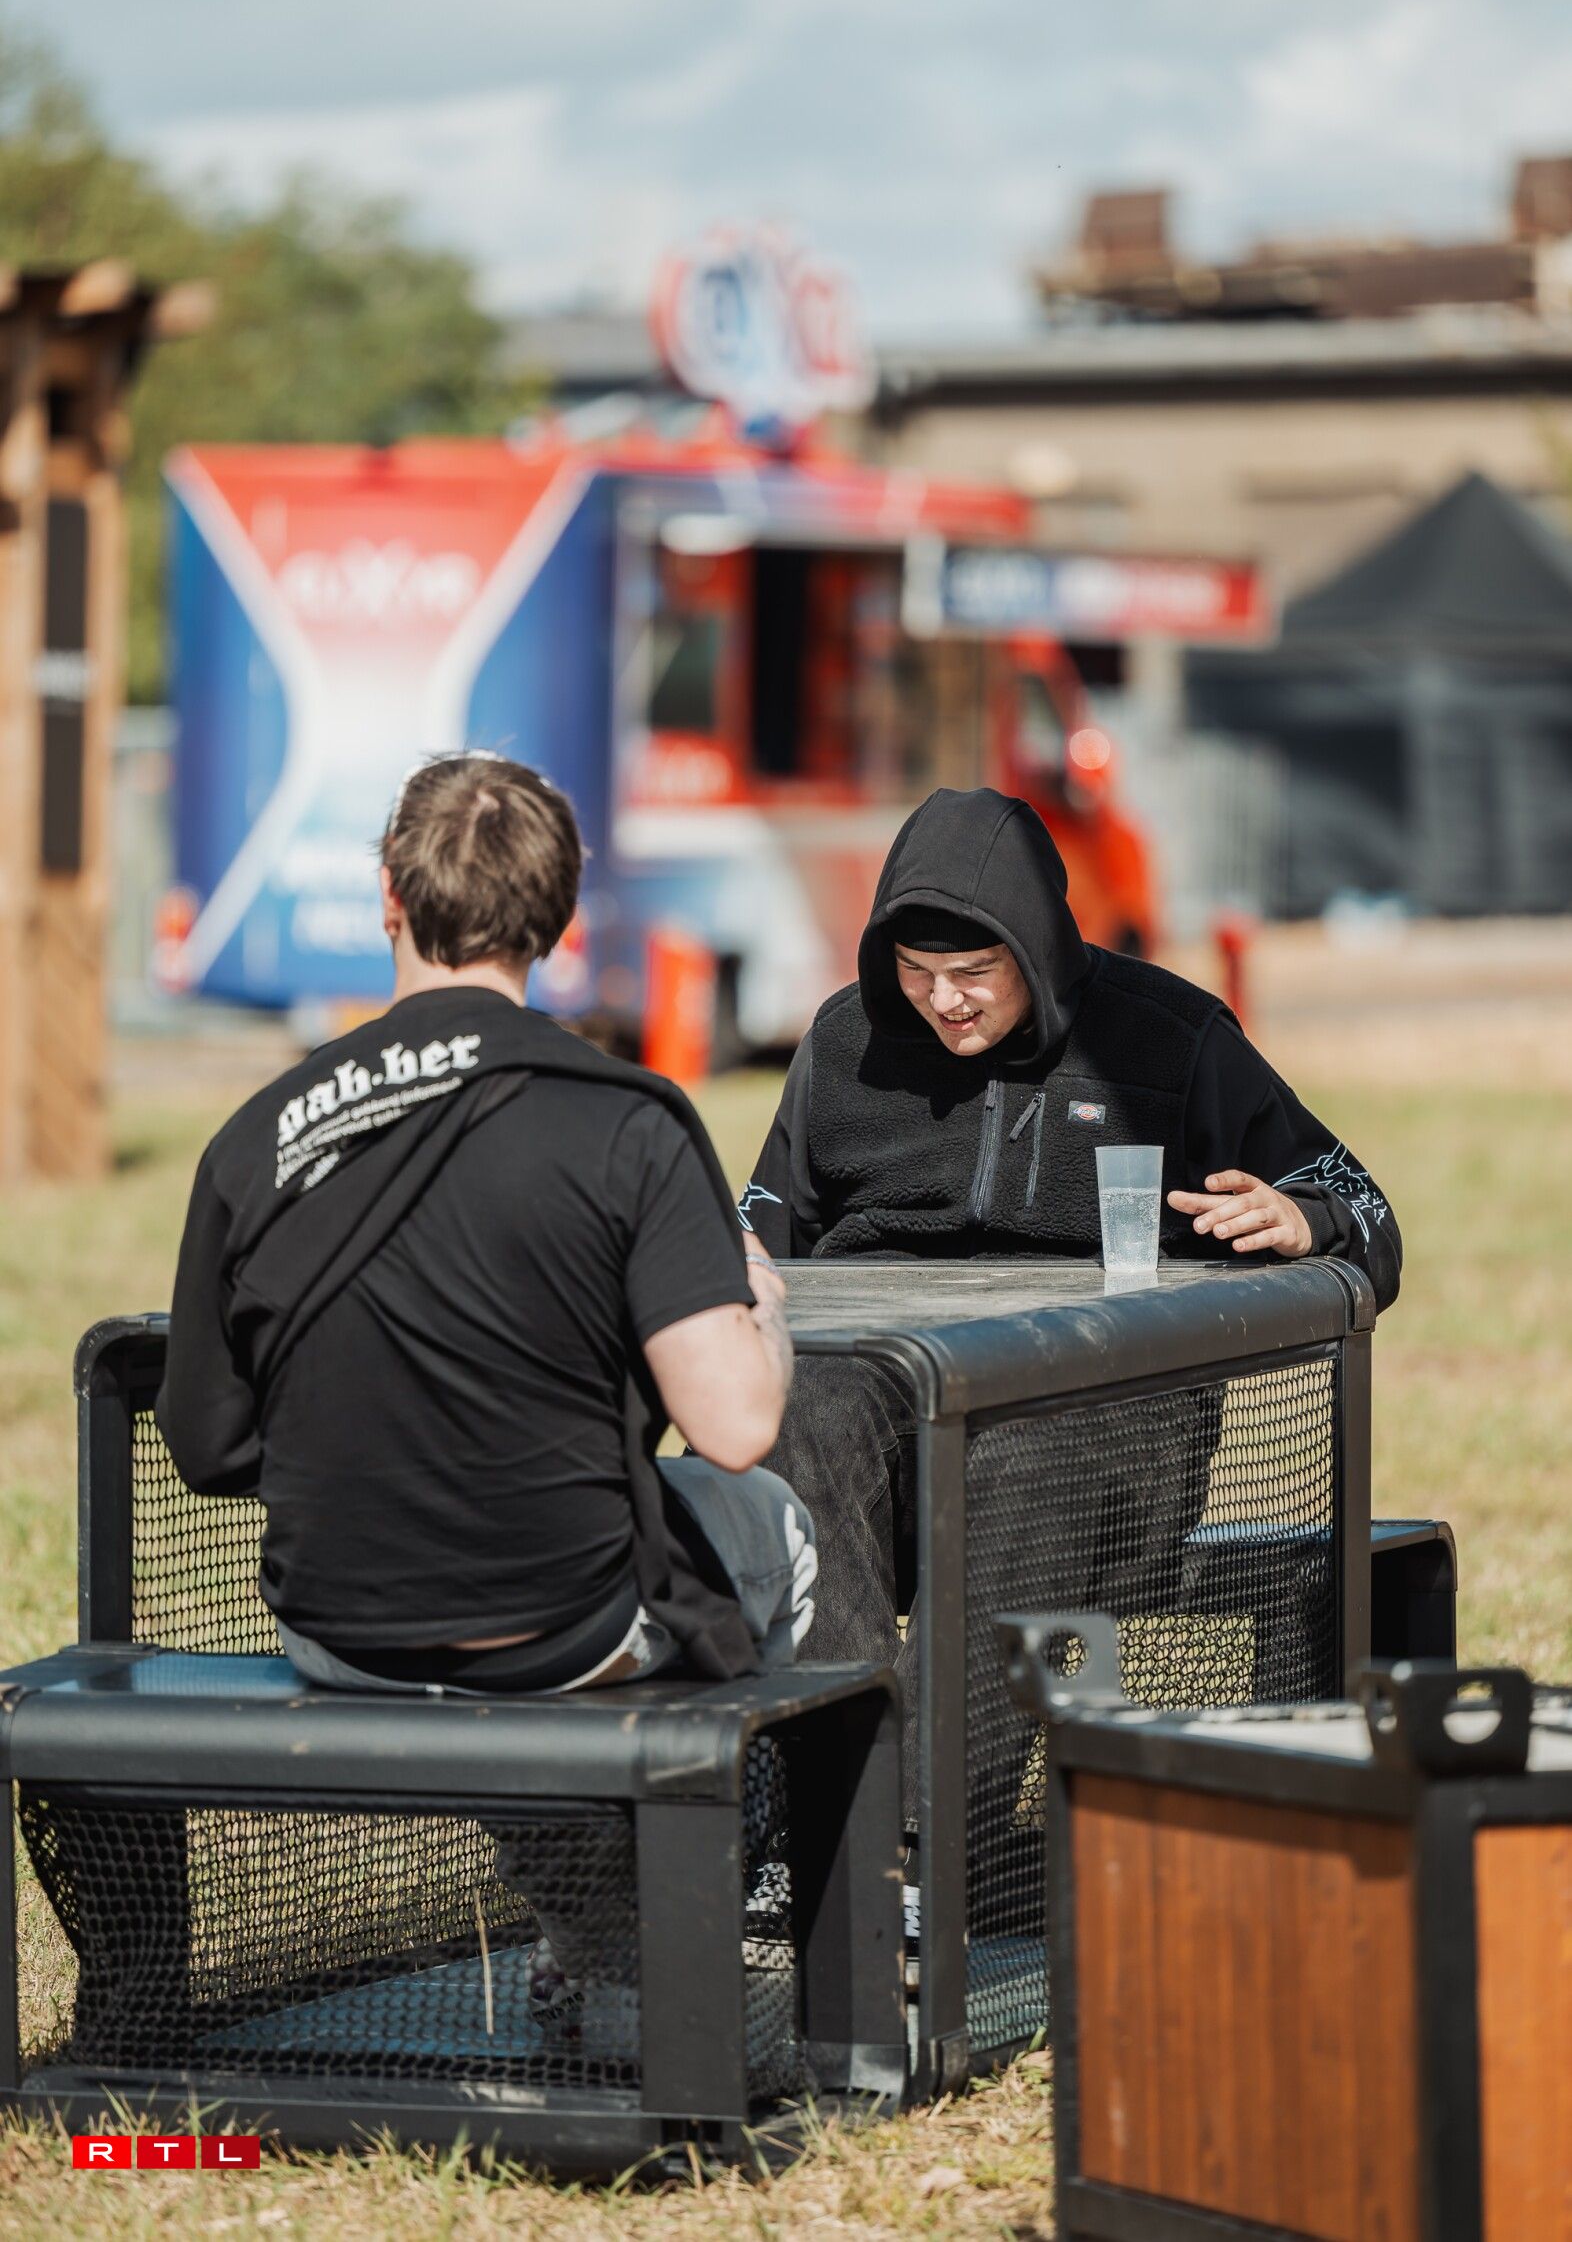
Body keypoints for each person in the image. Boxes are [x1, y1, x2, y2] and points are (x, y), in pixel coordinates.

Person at [739, 785, 1401, 1902]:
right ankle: (829, 1826)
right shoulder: (844, 1044)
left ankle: (911, 1854)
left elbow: (1368, 1212)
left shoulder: (1174, 1038)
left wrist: (1308, 1220)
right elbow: (760, 1233)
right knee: (804, 1408)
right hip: (891, 1406)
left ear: (1039, 950)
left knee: (1021, 1456)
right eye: (916, 972)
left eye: (974, 972)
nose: (943, 1001)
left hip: (1102, 1429)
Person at [157, 752, 810, 1700]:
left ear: (389, 894)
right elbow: (737, 1427)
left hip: (334, 1635)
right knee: (773, 1518)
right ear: (560, 914)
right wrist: (758, 1301)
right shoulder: (629, 1122)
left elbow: (206, 1445)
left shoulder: (259, 1135)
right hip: (570, 1631)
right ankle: (731, 1795)